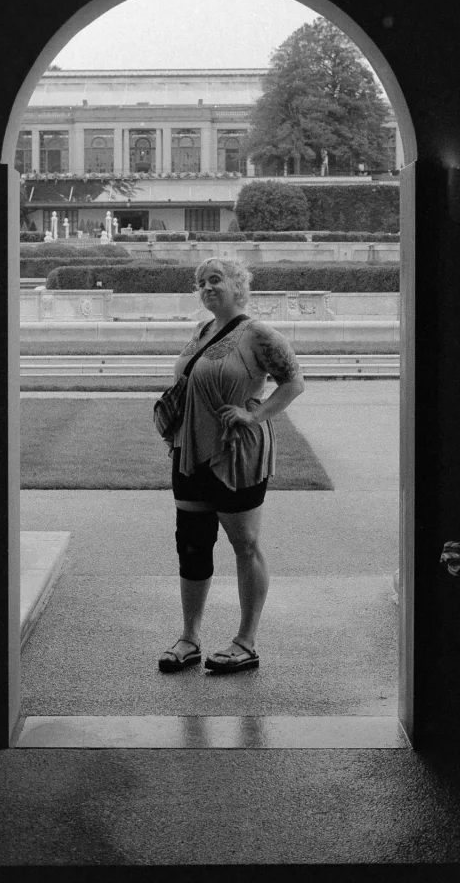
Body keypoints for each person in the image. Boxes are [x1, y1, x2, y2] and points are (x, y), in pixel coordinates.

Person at [158, 258, 305, 675]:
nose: (206, 287)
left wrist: (254, 415)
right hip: (191, 451)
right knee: (192, 542)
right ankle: (189, 637)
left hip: (236, 452)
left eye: (215, 280)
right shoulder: (202, 331)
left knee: (244, 545)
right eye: (200, 281)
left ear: (238, 285)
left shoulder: (257, 333)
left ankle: (246, 642)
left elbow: (294, 382)